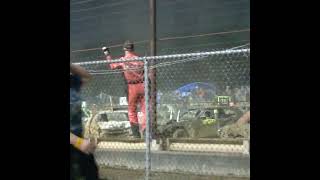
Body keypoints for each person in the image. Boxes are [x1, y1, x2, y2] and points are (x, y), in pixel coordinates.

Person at [102, 40, 145, 138]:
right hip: (142, 85)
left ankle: (136, 136)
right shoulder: (140, 59)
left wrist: (107, 54)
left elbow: (112, 66)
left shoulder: (123, 60)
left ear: (124, 49)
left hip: (131, 87)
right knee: (144, 109)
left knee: (132, 110)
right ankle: (146, 132)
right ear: (133, 49)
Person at [70, 63, 100, 180]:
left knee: (91, 173)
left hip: (78, 140)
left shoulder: (73, 83)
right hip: (76, 141)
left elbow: (87, 77)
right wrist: (78, 142)